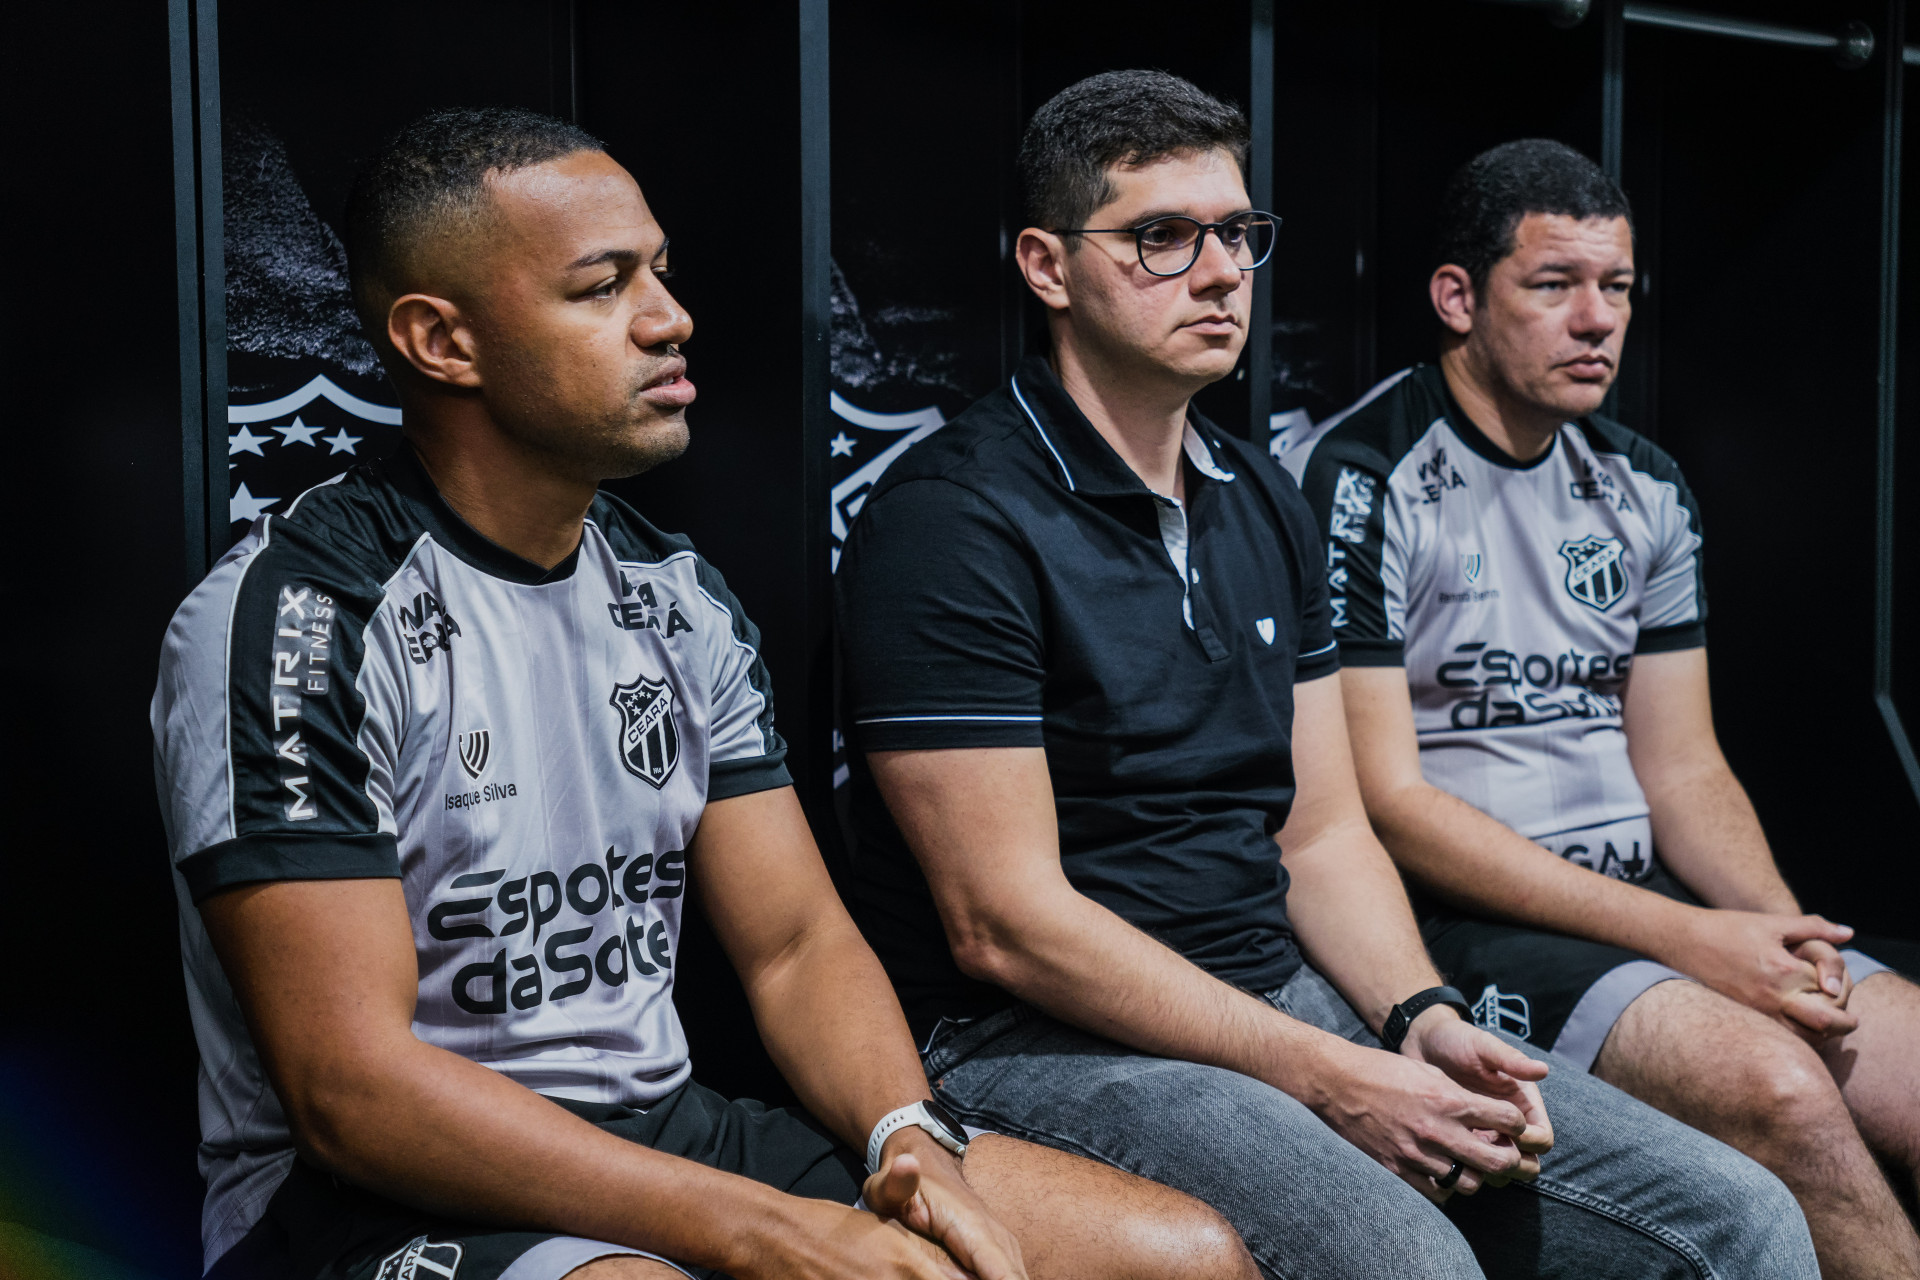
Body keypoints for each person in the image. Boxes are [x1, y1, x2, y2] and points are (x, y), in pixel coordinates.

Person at [150, 106, 1257, 1280]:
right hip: (369, 1197)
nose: (669, 317)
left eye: (661, 272)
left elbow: (795, 943)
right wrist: (766, 1228)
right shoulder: (302, 615)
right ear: (441, 339)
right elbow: (350, 1090)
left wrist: (907, 1134)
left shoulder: (674, 594)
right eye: (602, 286)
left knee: (1181, 1257)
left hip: (666, 1130)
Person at [834, 71, 1819, 1280]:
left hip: (1273, 990)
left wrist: (1419, 1014)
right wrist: (1328, 1071)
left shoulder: (1262, 497)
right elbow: (1007, 927)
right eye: (1161, 237)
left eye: (1237, 233)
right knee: (1415, 1262)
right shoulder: (953, 518)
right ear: (1048, 266)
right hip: (1036, 1037)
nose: (1218, 273)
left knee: (1741, 1214)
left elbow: (1324, 830)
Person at [1280, 137, 1920, 1279]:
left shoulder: (1644, 483)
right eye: (1554, 285)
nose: (1597, 321)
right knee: (1780, 1088)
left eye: (1617, 287)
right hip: (1471, 923)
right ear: (1458, 299)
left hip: (1646, 896)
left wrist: (1782, 940)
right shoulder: (1362, 477)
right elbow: (1388, 800)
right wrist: (1694, 939)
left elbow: (1683, 767)